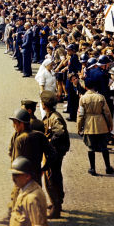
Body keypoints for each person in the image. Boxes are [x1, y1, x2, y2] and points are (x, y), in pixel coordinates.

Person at [77, 77, 114, 176]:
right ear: (94, 86)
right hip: (101, 124)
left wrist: (79, 127)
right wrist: (110, 124)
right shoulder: (100, 97)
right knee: (104, 147)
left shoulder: (83, 99)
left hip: (89, 124)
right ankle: (108, 167)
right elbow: (107, 113)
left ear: (85, 87)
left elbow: (80, 115)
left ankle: (92, 168)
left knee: (91, 147)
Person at [41, 90, 70, 219]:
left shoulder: (54, 117)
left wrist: (49, 142)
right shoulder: (50, 115)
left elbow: (60, 132)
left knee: (51, 178)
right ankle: (56, 202)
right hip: (54, 151)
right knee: (54, 176)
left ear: (44, 104)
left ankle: (56, 206)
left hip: (55, 152)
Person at [9, 156, 48, 226]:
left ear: (27, 176)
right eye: (12, 175)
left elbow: (37, 224)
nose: (13, 179)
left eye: (16, 175)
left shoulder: (32, 199)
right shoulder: (27, 188)